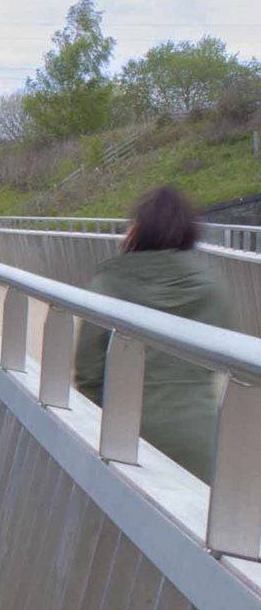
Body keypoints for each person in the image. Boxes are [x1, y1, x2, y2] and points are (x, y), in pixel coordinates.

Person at [74, 186, 233, 484]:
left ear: (137, 229)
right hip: (199, 440)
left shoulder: (108, 283)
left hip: (126, 438)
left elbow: (88, 373)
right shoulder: (210, 286)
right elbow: (234, 365)